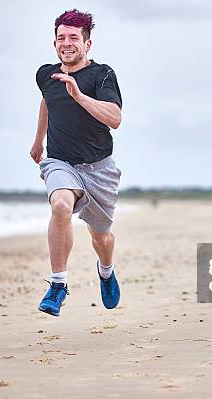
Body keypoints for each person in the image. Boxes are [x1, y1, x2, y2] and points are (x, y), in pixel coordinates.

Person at [30, 9, 123, 316]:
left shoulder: (103, 75)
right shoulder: (46, 73)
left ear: (87, 44)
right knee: (60, 206)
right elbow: (47, 99)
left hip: (100, 169)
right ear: (54, 42)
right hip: (60, 162)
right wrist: (38, 140)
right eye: (61, 38)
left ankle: (106, 271)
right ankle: (58, 285)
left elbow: (115, 118)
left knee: (101, 237)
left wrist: (79, 95)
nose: (66, 43)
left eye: (73, 38)